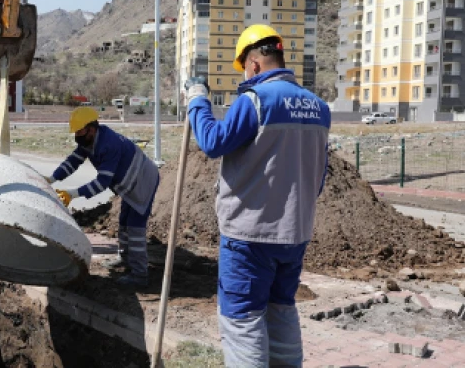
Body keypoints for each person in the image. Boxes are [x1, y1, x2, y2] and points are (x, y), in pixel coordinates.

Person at [185, 24, 331, 367]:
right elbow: (319, 174)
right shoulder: (319, 108)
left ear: (252, 65)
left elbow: (212, 141)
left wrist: (197, 101)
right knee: (281, 311)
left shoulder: (256, 100)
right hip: (295, 235)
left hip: (249, 236)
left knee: (242, 321)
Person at [48, 106, 159, 288]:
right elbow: (73, 161)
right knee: (123, 220)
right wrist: (51, 179)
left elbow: (102, 183)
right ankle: (125, 259)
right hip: (129, 184)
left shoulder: (108, 144)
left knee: (135, 226)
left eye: (80, 131)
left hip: (143, 181)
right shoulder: (90, 141)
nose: (77, 136)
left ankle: (140, 274)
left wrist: (73, 194)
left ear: (91, 129)